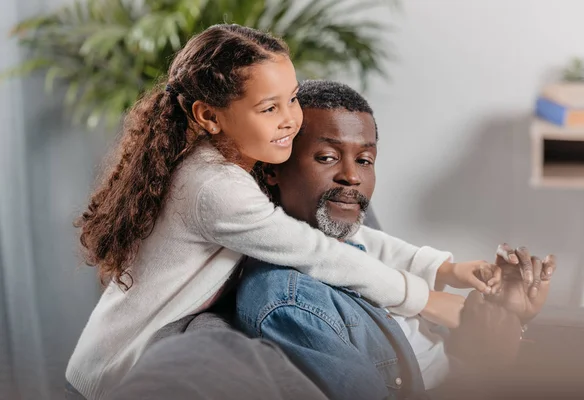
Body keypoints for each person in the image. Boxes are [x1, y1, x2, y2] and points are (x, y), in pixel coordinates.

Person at [66, 25, 499, 400]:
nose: (291, 119)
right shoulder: (215, 186)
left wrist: (444, 269)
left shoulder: (243, 163)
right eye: (269, 108)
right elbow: (317, 251)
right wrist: (425, 299)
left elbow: (340, 239)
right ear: (208, 116)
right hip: (114, 371)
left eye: (291, 99)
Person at [235, 80, 556, 400]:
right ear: (271, 170)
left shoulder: (357, 245)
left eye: (364, 160)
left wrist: (509, 318)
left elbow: (437, 339)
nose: (352, 176)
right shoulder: (290, 303)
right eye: (327, 157)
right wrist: (487, 364)